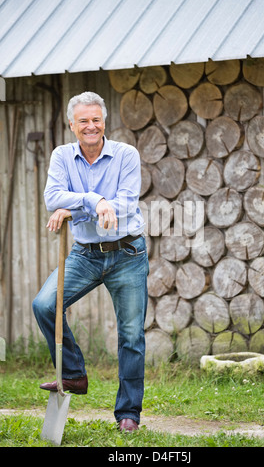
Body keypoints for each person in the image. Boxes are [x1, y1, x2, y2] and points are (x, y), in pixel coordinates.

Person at [32, 91, 148, 433]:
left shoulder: (126, 155)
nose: (90, 126)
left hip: (127, 253)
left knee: (131, 336)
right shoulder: (62, 157)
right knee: (43, 304)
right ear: (72, 124)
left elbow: (125, 205)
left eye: (96, 119)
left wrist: (75, 207)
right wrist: (93, 199)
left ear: (104, 121)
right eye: (83, 120)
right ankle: (72, 374)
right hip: (85, 254)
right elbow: (52, 197)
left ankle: (128, 414)